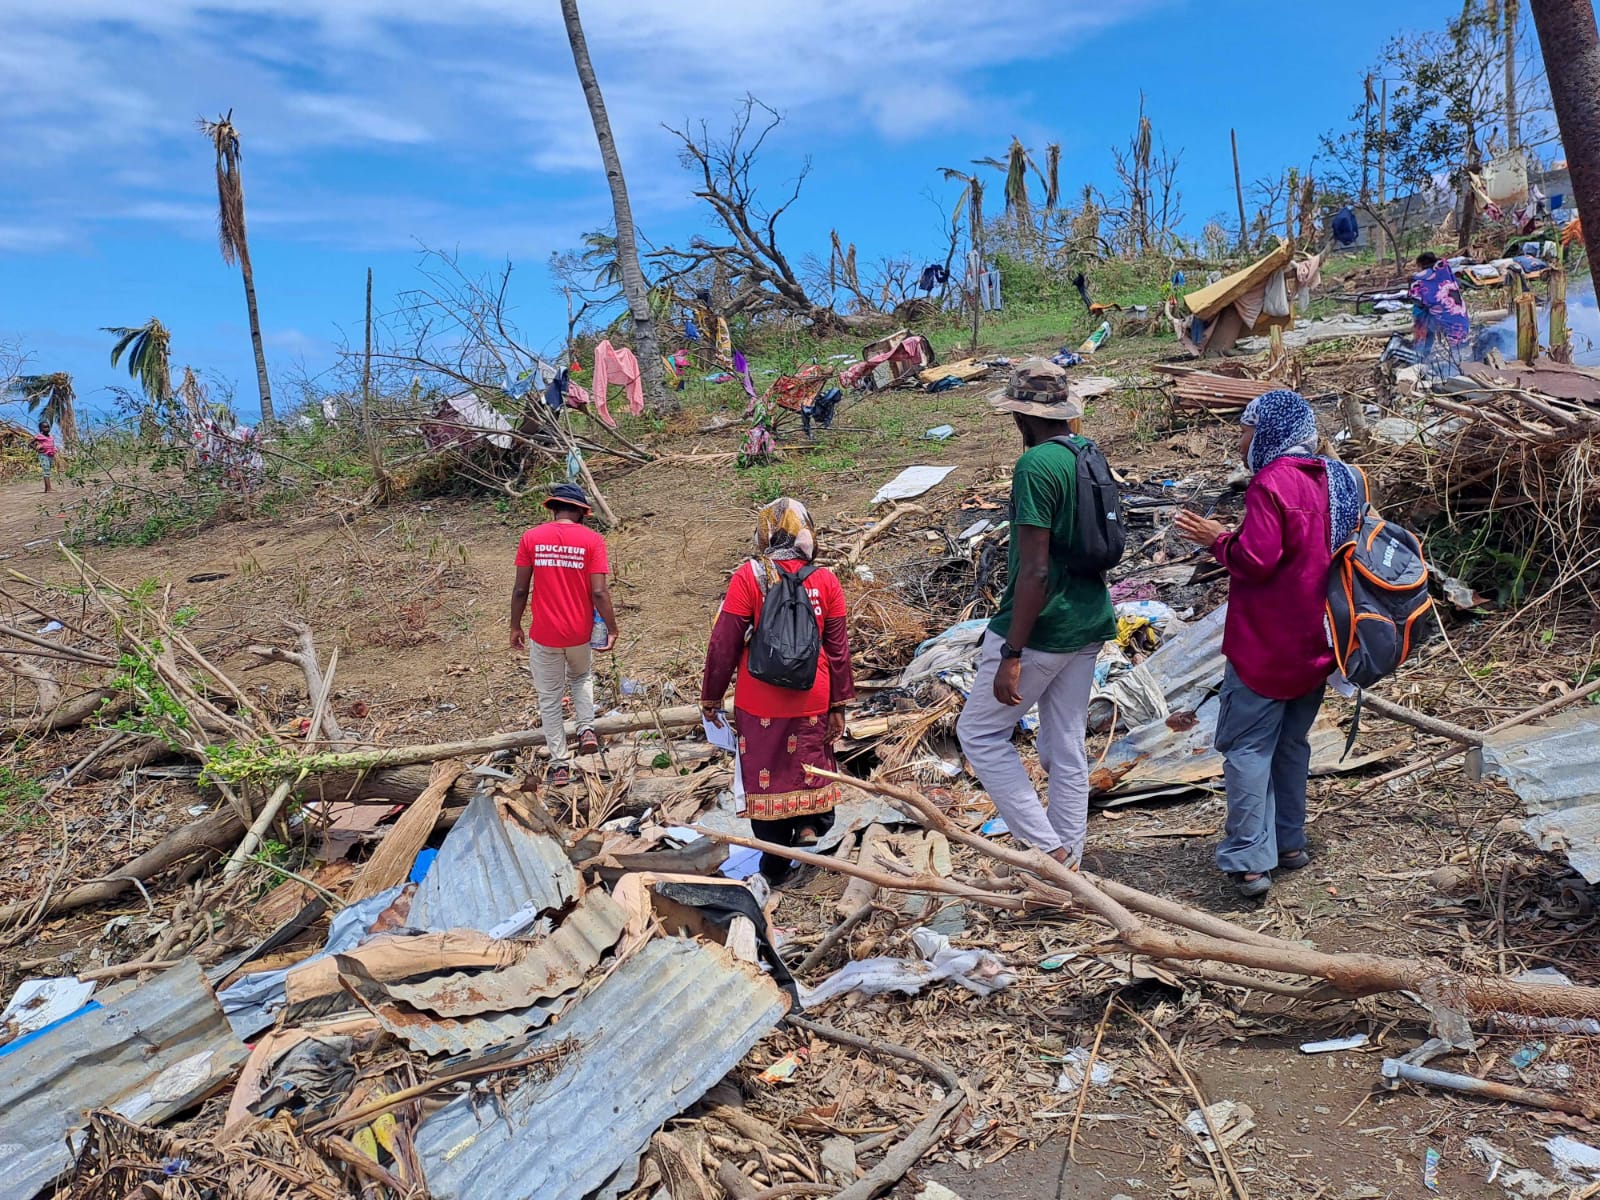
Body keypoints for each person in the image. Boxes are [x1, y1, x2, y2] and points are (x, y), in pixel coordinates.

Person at [1174, 389, 1363, 898]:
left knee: (1248, 747)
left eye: (1246, 430)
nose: (1241, 442)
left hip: (1268, 642)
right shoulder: (1337, 476)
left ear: (1270, 432)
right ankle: (1289, 843)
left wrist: (1216, 538)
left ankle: (1249, 859)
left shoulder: (1272, 481)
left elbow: (1257, 560)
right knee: (1291, 743)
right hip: (1321, 640)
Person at [956, 360, 1117, 868]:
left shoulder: (1035, 467)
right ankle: (1069, 864)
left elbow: (1035, 571)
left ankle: (1047, 852)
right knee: (1064, 742)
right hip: (1090, 618)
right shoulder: (1087, 452)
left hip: (1044, 625)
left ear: (1022, 417)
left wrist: (1012, 651)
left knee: (979, 733)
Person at [700, 498, 855, 886]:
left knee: (766, 773)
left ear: (765, 532)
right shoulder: (826, 580)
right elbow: (838, 649)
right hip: (813, 696)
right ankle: (807, 826)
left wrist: (712, 696)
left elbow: (725, 642)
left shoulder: (749, 577)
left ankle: (773, 865)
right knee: (809, 761)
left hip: (759, 700)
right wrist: (838, 705)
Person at [509, 483, 618, 786]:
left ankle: (559, 765)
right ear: (583, 513)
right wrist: (612, 627)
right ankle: (585, 729)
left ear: (553, 508)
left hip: (544, 634)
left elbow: (520, 589)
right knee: (581, 677)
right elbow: (599, 591)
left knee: (550, 698)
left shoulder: (531, 538)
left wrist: (515, 625)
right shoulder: (592, 541)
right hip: (579, 633)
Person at [1408, 252, 1470, 354]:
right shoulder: (1444, 270)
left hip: (1447, 322)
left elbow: (1417, 300)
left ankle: (1420, 352)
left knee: (1420, 314)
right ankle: (1424, 350)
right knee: (1459, 350)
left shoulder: (1419, 278)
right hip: (1461, 316)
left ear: (1419, 265)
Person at [33, 421, 56, 494]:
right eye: (45, 427)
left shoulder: (51, 436)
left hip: (50, 455)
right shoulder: (39, 436)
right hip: (43, 455)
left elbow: (52, 444)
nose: (47, 428)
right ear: (41, 429)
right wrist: (37, 449)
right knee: (46, 471)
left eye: (48, 427)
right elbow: (30, 443)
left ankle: (47, 488)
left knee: (48, 470)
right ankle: (49, 488)